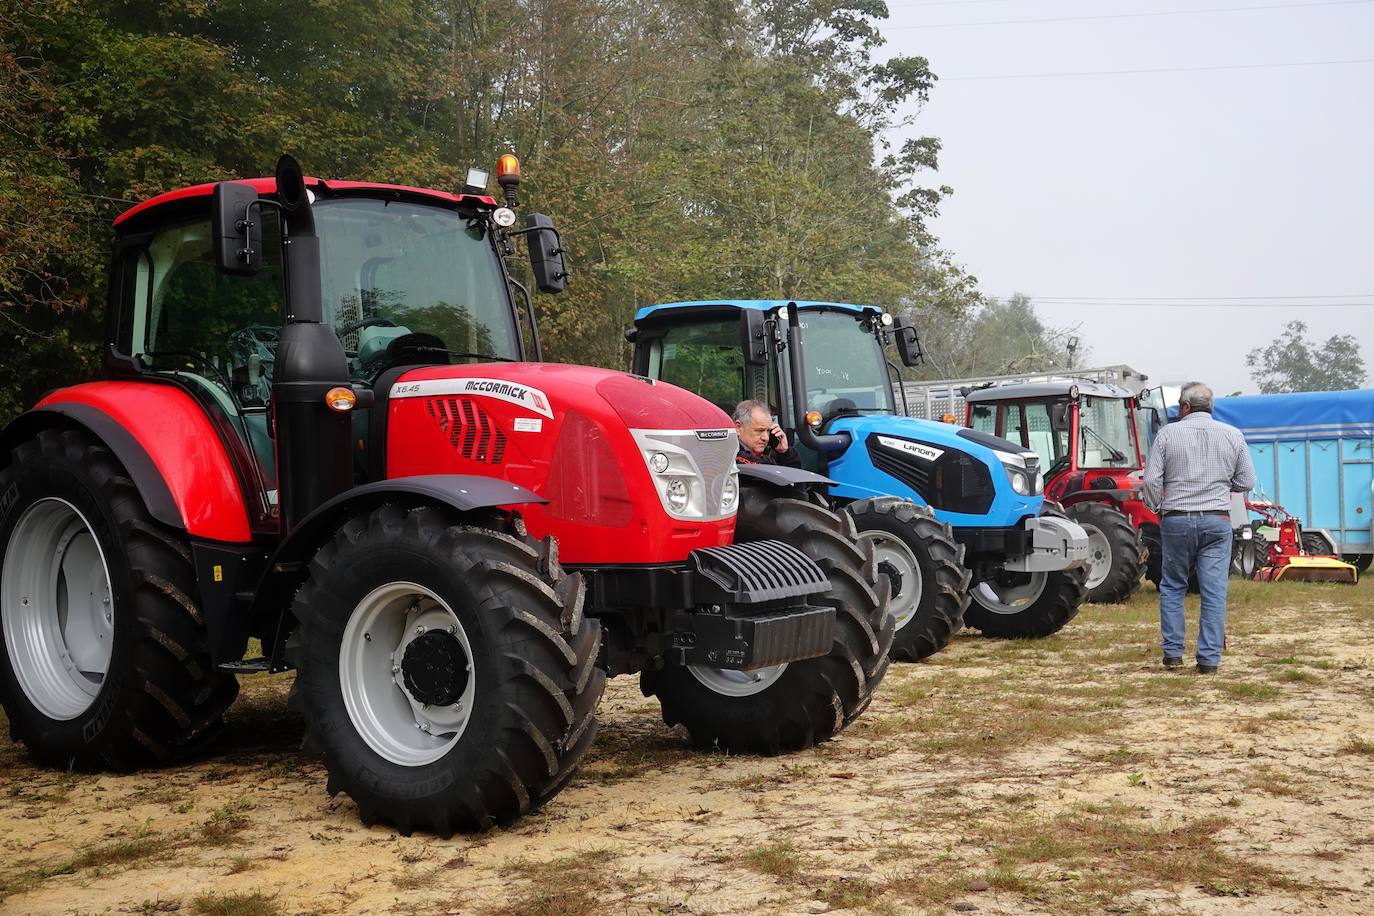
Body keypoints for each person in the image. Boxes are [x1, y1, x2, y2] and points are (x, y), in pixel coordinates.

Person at [1142, 382, 1256, 674]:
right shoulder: (1233, 435)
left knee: (1173, 586)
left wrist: (1158, 508)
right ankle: (1208, 660)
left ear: (1185, 407)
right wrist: (1219, 486)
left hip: (1177, 520)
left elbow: (1152, 481)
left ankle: (1173, 655)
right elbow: (1247, 482)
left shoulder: (1167, 434)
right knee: (1214, 589)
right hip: (1216, 521)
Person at [733, 400, 801, 467]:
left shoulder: (771, 452)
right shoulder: (729, 456)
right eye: (759, 431)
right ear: (738, 428)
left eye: (768, 431)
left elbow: (796, 475)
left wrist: (785, 453)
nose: (766, 438)